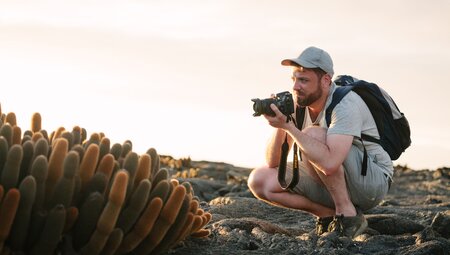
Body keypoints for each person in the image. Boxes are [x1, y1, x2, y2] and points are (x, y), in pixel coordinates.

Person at [248, 46, 393, 238]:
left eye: (304, 80)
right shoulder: (298, 102)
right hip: (331, 177)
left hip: (371, 183)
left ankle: (348, 215)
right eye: (294, 79)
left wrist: (291, 128)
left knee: (313, 135)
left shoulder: (345, 103)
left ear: (325, 81)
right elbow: (273, 163)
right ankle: (327, 215)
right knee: (259, 179)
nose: (295, 87)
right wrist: (281, 125)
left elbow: (330, 163)